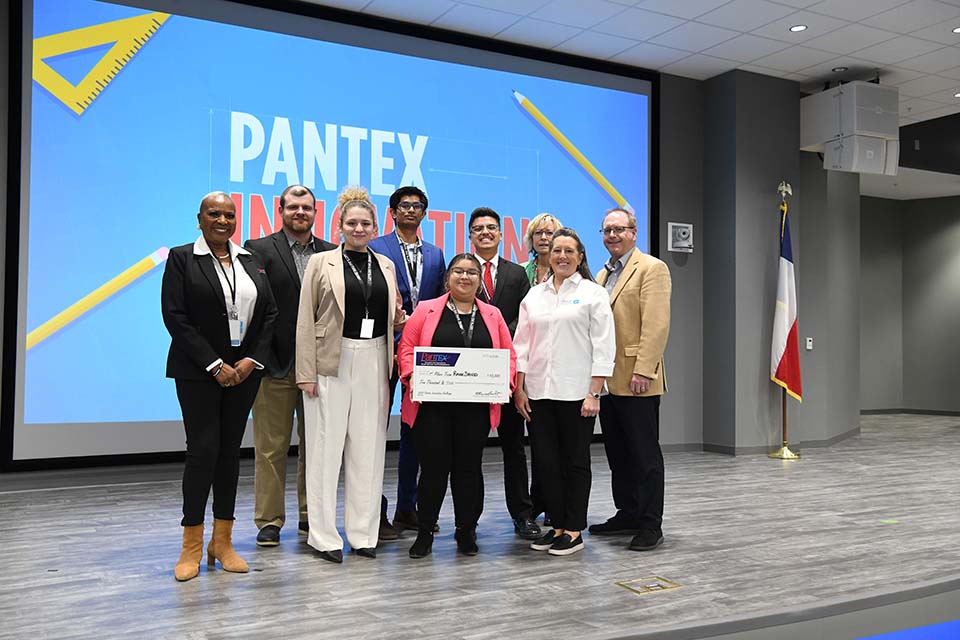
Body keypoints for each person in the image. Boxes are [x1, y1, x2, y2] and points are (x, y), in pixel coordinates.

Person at [162, 191, 278, 581]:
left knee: (229, 453)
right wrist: (215, 365)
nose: (223, 221)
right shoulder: (182, 258)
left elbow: (270, 314)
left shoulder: (251, 260)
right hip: (199, 371)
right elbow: (175, 317)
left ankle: (222, 542)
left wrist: (250, 361)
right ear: (200, 218)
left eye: (229, 215)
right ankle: (191, 546)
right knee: (203, 452)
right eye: (214, 214)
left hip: (244, 372)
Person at [295, 186, 404, 563]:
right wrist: (305, 372)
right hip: (331, 359)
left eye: (365, 223)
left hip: (375, 356)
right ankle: (323, 536)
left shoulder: (386, 265)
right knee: (325, 448)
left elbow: (392, 316)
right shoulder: (320, 262)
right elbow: (305, 321)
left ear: (375, 227)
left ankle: (362, 533)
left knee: (368, 449)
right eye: (352, 222)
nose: (359, 228)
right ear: (339, 225)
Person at [397, 254, 516, 558]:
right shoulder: (426, 309)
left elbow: (509, 356)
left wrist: (506, 382)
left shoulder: (493, 315)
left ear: (479, 279)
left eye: (472, 272)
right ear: (448, 276)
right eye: (459, 271)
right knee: (434, 471)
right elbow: (407, 348)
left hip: (474, 409)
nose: (465, 277)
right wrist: (412, 375)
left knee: (468, 470)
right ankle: (425, 533)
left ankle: (466, 531)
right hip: (432, 407)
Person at [513, 228, 615, 556]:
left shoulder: (592, 293)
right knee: (546, 463)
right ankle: (556, 525)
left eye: (569, 251)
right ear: (548, 254)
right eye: (557, 250)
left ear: (580, 257)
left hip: (577, 394)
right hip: (540, 392)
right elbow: (522, 345)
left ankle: (574, 529)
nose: (562, 256)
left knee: (575, 462)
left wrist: (594, 393)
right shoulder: (534, 296)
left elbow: (603, 345)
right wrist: (520, 388)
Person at [245, 185, 336, 547]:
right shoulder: (258, 250)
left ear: (316, 212)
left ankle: (309, 514)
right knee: (271, 448)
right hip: (274, 365)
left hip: (320, 367)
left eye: (307, 207)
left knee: (317, 447)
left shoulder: (333, 252)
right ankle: (269, 520)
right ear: (280, 209)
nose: (301, 212)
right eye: (293, 206)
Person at [589, 208, 672, 552]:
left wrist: (643, 369)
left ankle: (651, 524)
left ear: (633, 233)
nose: (612, 235)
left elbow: (656, 324)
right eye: (607, 230)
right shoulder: (602, 274)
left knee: (644, 455)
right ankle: (628, 513)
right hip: (608, 381)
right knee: (618, 454)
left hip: (637, 378)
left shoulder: (652, 268)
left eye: (619, 229)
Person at [368, 186, 446, 538]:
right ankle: (373, 510)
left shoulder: (435, 254)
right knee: (372, 430)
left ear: (424, 213)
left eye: (418, 206)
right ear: (392, 211)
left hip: (422, 353)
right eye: (405, 206)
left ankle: (407, 508)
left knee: (416, 432)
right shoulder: (376, 246)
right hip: (382, 347)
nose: (411, 211)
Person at [468, 207, 540, 540]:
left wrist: (500, 336)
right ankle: (467, 520)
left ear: (500, 235)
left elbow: (525, 318)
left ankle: (523, 515)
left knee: (513, 448)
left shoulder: (515, 274)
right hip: (469, 375)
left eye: (491, 228)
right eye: (478, 228)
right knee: (469, 450)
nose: (485, 232)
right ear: (470, 234)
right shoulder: (461, 269)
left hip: (508, 373)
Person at [521, 213, 563, 287]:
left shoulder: (565, 271)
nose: (543, 237)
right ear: (531, 238)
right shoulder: (521, 270)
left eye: (549, 233)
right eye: (538, 233)